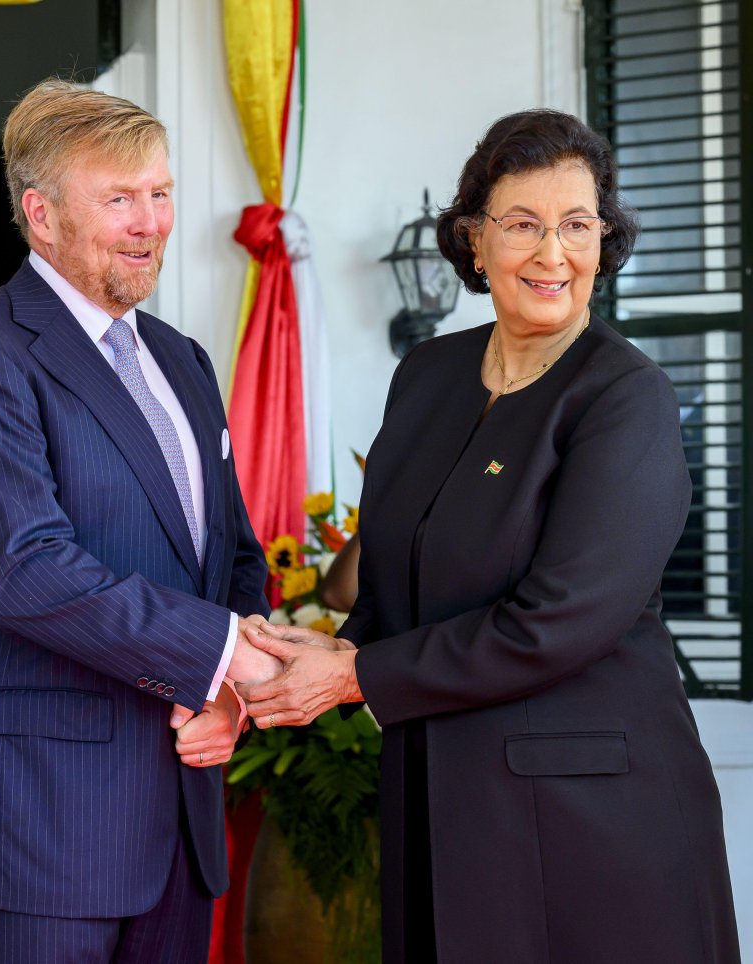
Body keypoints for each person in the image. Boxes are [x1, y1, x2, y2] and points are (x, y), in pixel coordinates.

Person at [238, 109, 741, 963]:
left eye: (578, 225)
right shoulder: (427, 376)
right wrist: (314, 650)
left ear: (605, 240)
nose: (553, 254)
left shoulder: (626, 398)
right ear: (474, 242)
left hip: (593, 824)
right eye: (522, 224)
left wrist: (354, 675)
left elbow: (559, 621)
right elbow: (400, 579)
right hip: (440, 796)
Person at [0, 79, 277, 963]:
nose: (150, 223)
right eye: (118, 200)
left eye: (160, 193)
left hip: (180, 822)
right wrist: (227, 655)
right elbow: (26, 571)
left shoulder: (184, 361)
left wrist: (228, 692)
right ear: (40, 214)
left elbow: (230, 553)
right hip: (36, 827)